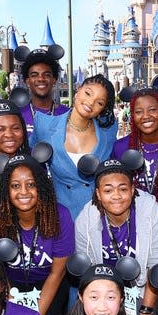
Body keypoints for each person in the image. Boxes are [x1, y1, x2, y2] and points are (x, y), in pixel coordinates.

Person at [75, 159, 158, 315]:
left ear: (132, 190)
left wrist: (146, 312)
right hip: (104, 292)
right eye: (108, 190)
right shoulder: (86, 219)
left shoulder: (150, 210)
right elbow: (88, 273)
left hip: (144, 289)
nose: (116, 196)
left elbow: (157, 267)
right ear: (98, 193)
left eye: (123, 189)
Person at [0, 155, 73, 315]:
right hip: (10, 285)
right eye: (15, 186)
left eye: (31, 184)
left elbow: (57, 273)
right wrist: (12, 308)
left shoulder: (59, 216)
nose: (24, 192)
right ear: (6, 190)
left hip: (50, 285)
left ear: (41, 187)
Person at [30, 74, 118, 220]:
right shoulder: (44, 125)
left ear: (102, 109)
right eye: (88, 93)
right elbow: (27, 160)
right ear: (78, 91)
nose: (90, 102)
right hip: (61, 217)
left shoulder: (109, 131)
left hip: (98, 216)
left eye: (100, 103)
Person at [111, 88, 158, 209]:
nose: (146, 116)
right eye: (138, 112)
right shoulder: (120, 147)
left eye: (152, 110)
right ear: (132, 116)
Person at [19, 49, 69, 135]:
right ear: (27, 82)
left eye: (46, 75)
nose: (41, 79)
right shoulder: (18, 115)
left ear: (54, 80)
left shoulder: (68, 115)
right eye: (34, 75)